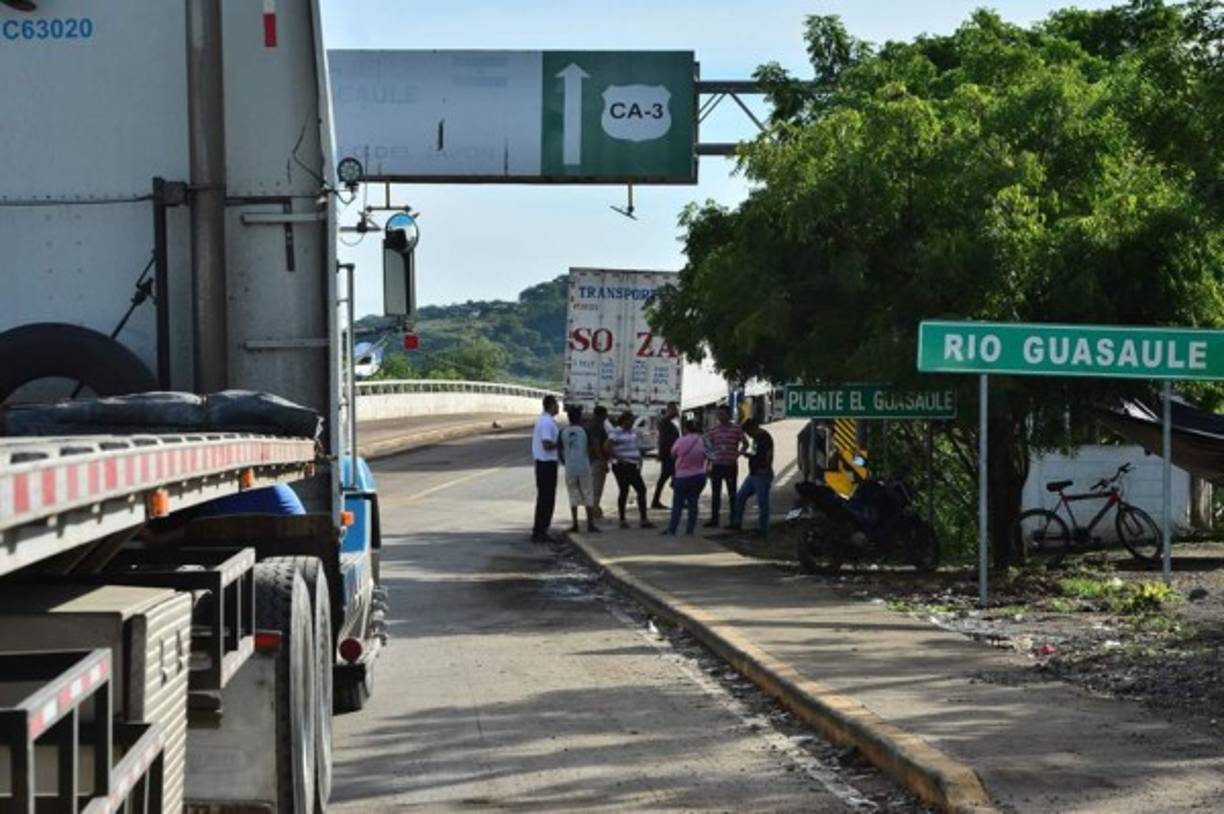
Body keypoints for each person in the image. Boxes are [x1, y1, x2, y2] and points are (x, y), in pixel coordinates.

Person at [606, 411, 655, 530]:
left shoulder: (632, 432)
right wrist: (619, 458)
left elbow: (634, 446)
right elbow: (607, 446)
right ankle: (623, 519)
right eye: (630, 421)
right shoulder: (616, 431)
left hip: (633, 465)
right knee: (625, 490)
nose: (632, 423)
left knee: (641, 489)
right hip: (622, 466)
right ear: (624, 421)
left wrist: (639, 459)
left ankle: (643, 519)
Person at [728, 418, 775, 536]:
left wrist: (766, 467)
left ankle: (763, 528)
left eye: (749, 432)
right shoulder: (756, 438)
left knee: (762, 502)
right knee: (740, 496)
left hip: (761, 473)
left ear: (754, 428)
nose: (748, 435)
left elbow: (769, 454)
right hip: (753, 473)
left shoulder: (764, 437)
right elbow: (756, 453)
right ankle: (737, 522)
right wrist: (749, 456)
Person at [558, 405, 600, 534]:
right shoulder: (585, 431)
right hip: (584, 466)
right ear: (580, 417)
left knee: (573, 495)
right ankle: (590, 524)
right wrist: (592, 460)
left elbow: (559, 451)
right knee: (588, 493)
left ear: (569, 418)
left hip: (570, 467)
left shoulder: (562, 432)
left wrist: (565, 462)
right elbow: (593, 447)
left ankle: (575, 524)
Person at [663, 419, 708, 535]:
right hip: (699, 475)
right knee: (693, 503)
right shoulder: (703, 440)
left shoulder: (681, 440)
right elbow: (711, 455)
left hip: (682, 476)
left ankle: (672, 529)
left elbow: (673, 454)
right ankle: (690, 530)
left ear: (685, 429)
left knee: (677, 504)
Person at [703, 405, 745, 527]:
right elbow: (709, 447)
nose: (720, 416)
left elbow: (745, 443)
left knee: (732, 493)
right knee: (716, 493)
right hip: (717, 465)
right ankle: (714, 518)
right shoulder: (714, 430)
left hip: (730, 465)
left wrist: (738, 454)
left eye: (722, 414)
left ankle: (733, 519)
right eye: (718, 414)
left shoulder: (736, 429)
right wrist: (708, 463)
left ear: (728, 415)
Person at [531, 395, 560, 542]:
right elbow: (547, 444)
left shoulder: (544, 420)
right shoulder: (547, 423)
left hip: (544, 463)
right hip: (546, 464)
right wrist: (561, 444)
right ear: (551, 405)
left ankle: (540, 529)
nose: (558, 407)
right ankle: (541, 531)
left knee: (544, 498)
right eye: (556, 405)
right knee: (547, 499)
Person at [651, 402, 680, 509]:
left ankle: (678, 499)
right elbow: (662, 439)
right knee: (666, 478)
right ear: (669, 410)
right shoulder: (664, 422)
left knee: (673, 477)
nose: (676, 412)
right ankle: (656, 501)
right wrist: (660, 453)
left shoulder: (671, 423)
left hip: (672, 454)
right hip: (668, 454)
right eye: (675, 409)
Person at [586, 405, 611, 518]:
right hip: (597, 460)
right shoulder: (597, 427)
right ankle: (594, 511)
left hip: (593, 459)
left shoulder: (593, 426)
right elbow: (596, 445)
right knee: (596, 487)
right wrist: (602, 460)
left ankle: (594, 510)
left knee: (594, 487)